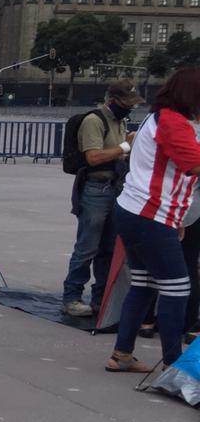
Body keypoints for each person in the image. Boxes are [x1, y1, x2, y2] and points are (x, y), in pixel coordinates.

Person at [110, 67, 200, 373]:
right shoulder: (174, 122)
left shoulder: (160, 117)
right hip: (150, 215)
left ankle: (122, 354)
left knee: (144, 284)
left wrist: (179, 218)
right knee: (177, 288)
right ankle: (173, 365)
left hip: (135, 211)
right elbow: (194, 164)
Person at [61, 80, 142, 318]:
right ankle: (72, 297)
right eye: (126, 103)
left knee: (108, 248)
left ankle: (101, 298)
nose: (129, 108)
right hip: (95, 190)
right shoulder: (94, 121)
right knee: (87, 247)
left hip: (115, 188)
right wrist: (126, 146)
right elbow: (94, 157)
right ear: (112, 100)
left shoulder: (120, 120)